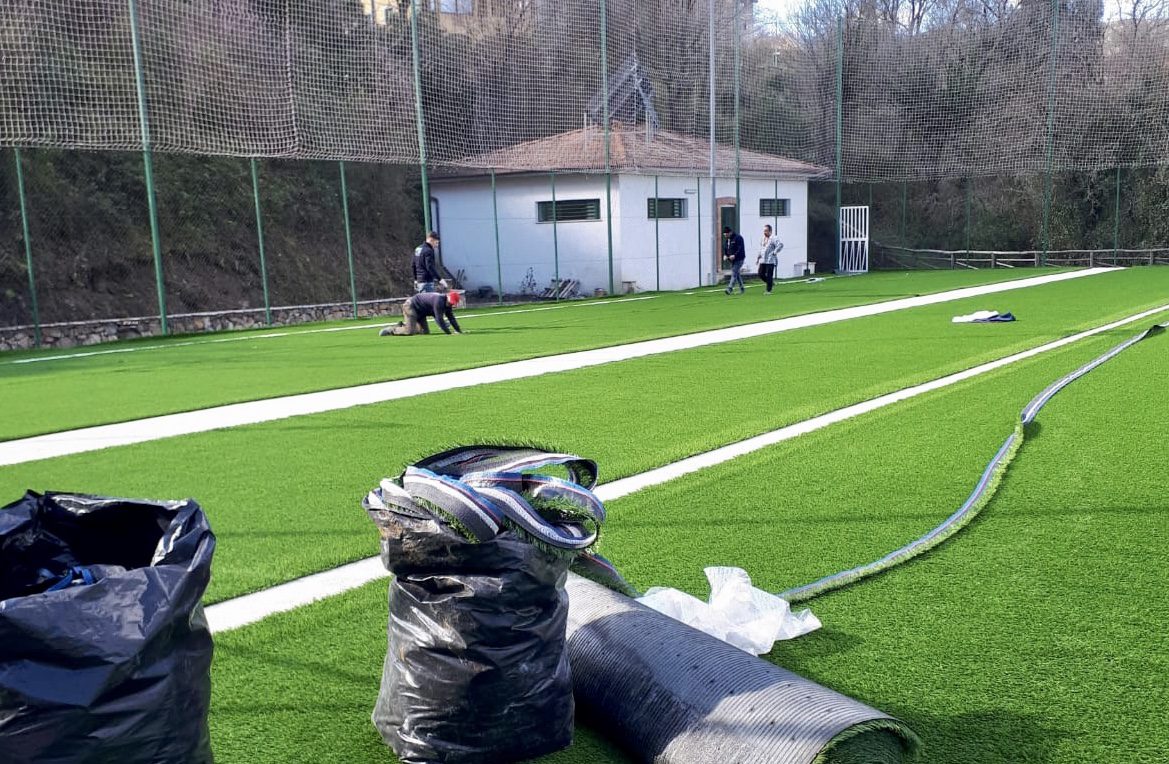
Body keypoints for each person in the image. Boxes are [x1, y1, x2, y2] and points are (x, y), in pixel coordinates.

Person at [380, 290, 464, 336]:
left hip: (422, 311)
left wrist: (458, 330)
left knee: (425, 332)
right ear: (448, 297)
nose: (450, 304)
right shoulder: (439, 301)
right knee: (409, 331)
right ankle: (391, 330)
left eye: (452, 304)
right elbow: (439, 319)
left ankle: (402, 325)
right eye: (450, 302)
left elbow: (451, 317)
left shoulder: (447, 304)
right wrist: (448, 333)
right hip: (411, 306)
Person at [755, 224, 784, 294]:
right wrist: (758, 258)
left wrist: (775, 252)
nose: (765, 232)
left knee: (769, 275)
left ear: (770, 231)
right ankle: (770, 282)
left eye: (766, 231)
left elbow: (780, 245)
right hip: (763, 260)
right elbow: (761, 249)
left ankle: (768, 290)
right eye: (764, 231)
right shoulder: (762, 239)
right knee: (760, 274)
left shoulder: (774, 238)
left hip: (770, 260)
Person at [722, 226, 746, 294]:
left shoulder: (738, 238)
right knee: (737, 274)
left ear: (730, 233)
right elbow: (726, 249)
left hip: (739, 259)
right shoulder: (727, 240)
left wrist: (735, 255)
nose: (726, 236)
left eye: (726, 234)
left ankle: (730, 289)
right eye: (725, 235)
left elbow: (740, 249)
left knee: (734, 273)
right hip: (732, 260)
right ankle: (742, 288)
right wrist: (725, 255)